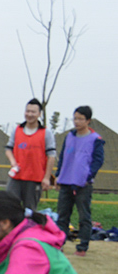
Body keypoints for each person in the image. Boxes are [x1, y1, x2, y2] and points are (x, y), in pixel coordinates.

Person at [55, 106, 105, 256]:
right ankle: (60, 243)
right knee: (62, 215)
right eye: (75, 118)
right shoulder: (69, 137)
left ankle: (82, 246)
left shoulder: (96, 139)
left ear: (88, 121)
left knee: (84, 216)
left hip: (83, 184)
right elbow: (63, 157)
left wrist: (88, 176)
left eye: (80, 119)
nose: (77, 122)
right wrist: (58, 175)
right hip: (66, 181)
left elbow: (98, 161)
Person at [5, 98, 56, 211]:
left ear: (39, 114)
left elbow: (51, 156)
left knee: (30, 210)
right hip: (16, 177)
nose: (29, 114)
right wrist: (13, 162)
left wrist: (46, 178)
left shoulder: (46, 133)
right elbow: (8, 149)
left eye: (33, 112)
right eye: (27, 111)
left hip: (35, 178)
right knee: (9, 206)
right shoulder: (17, 130)